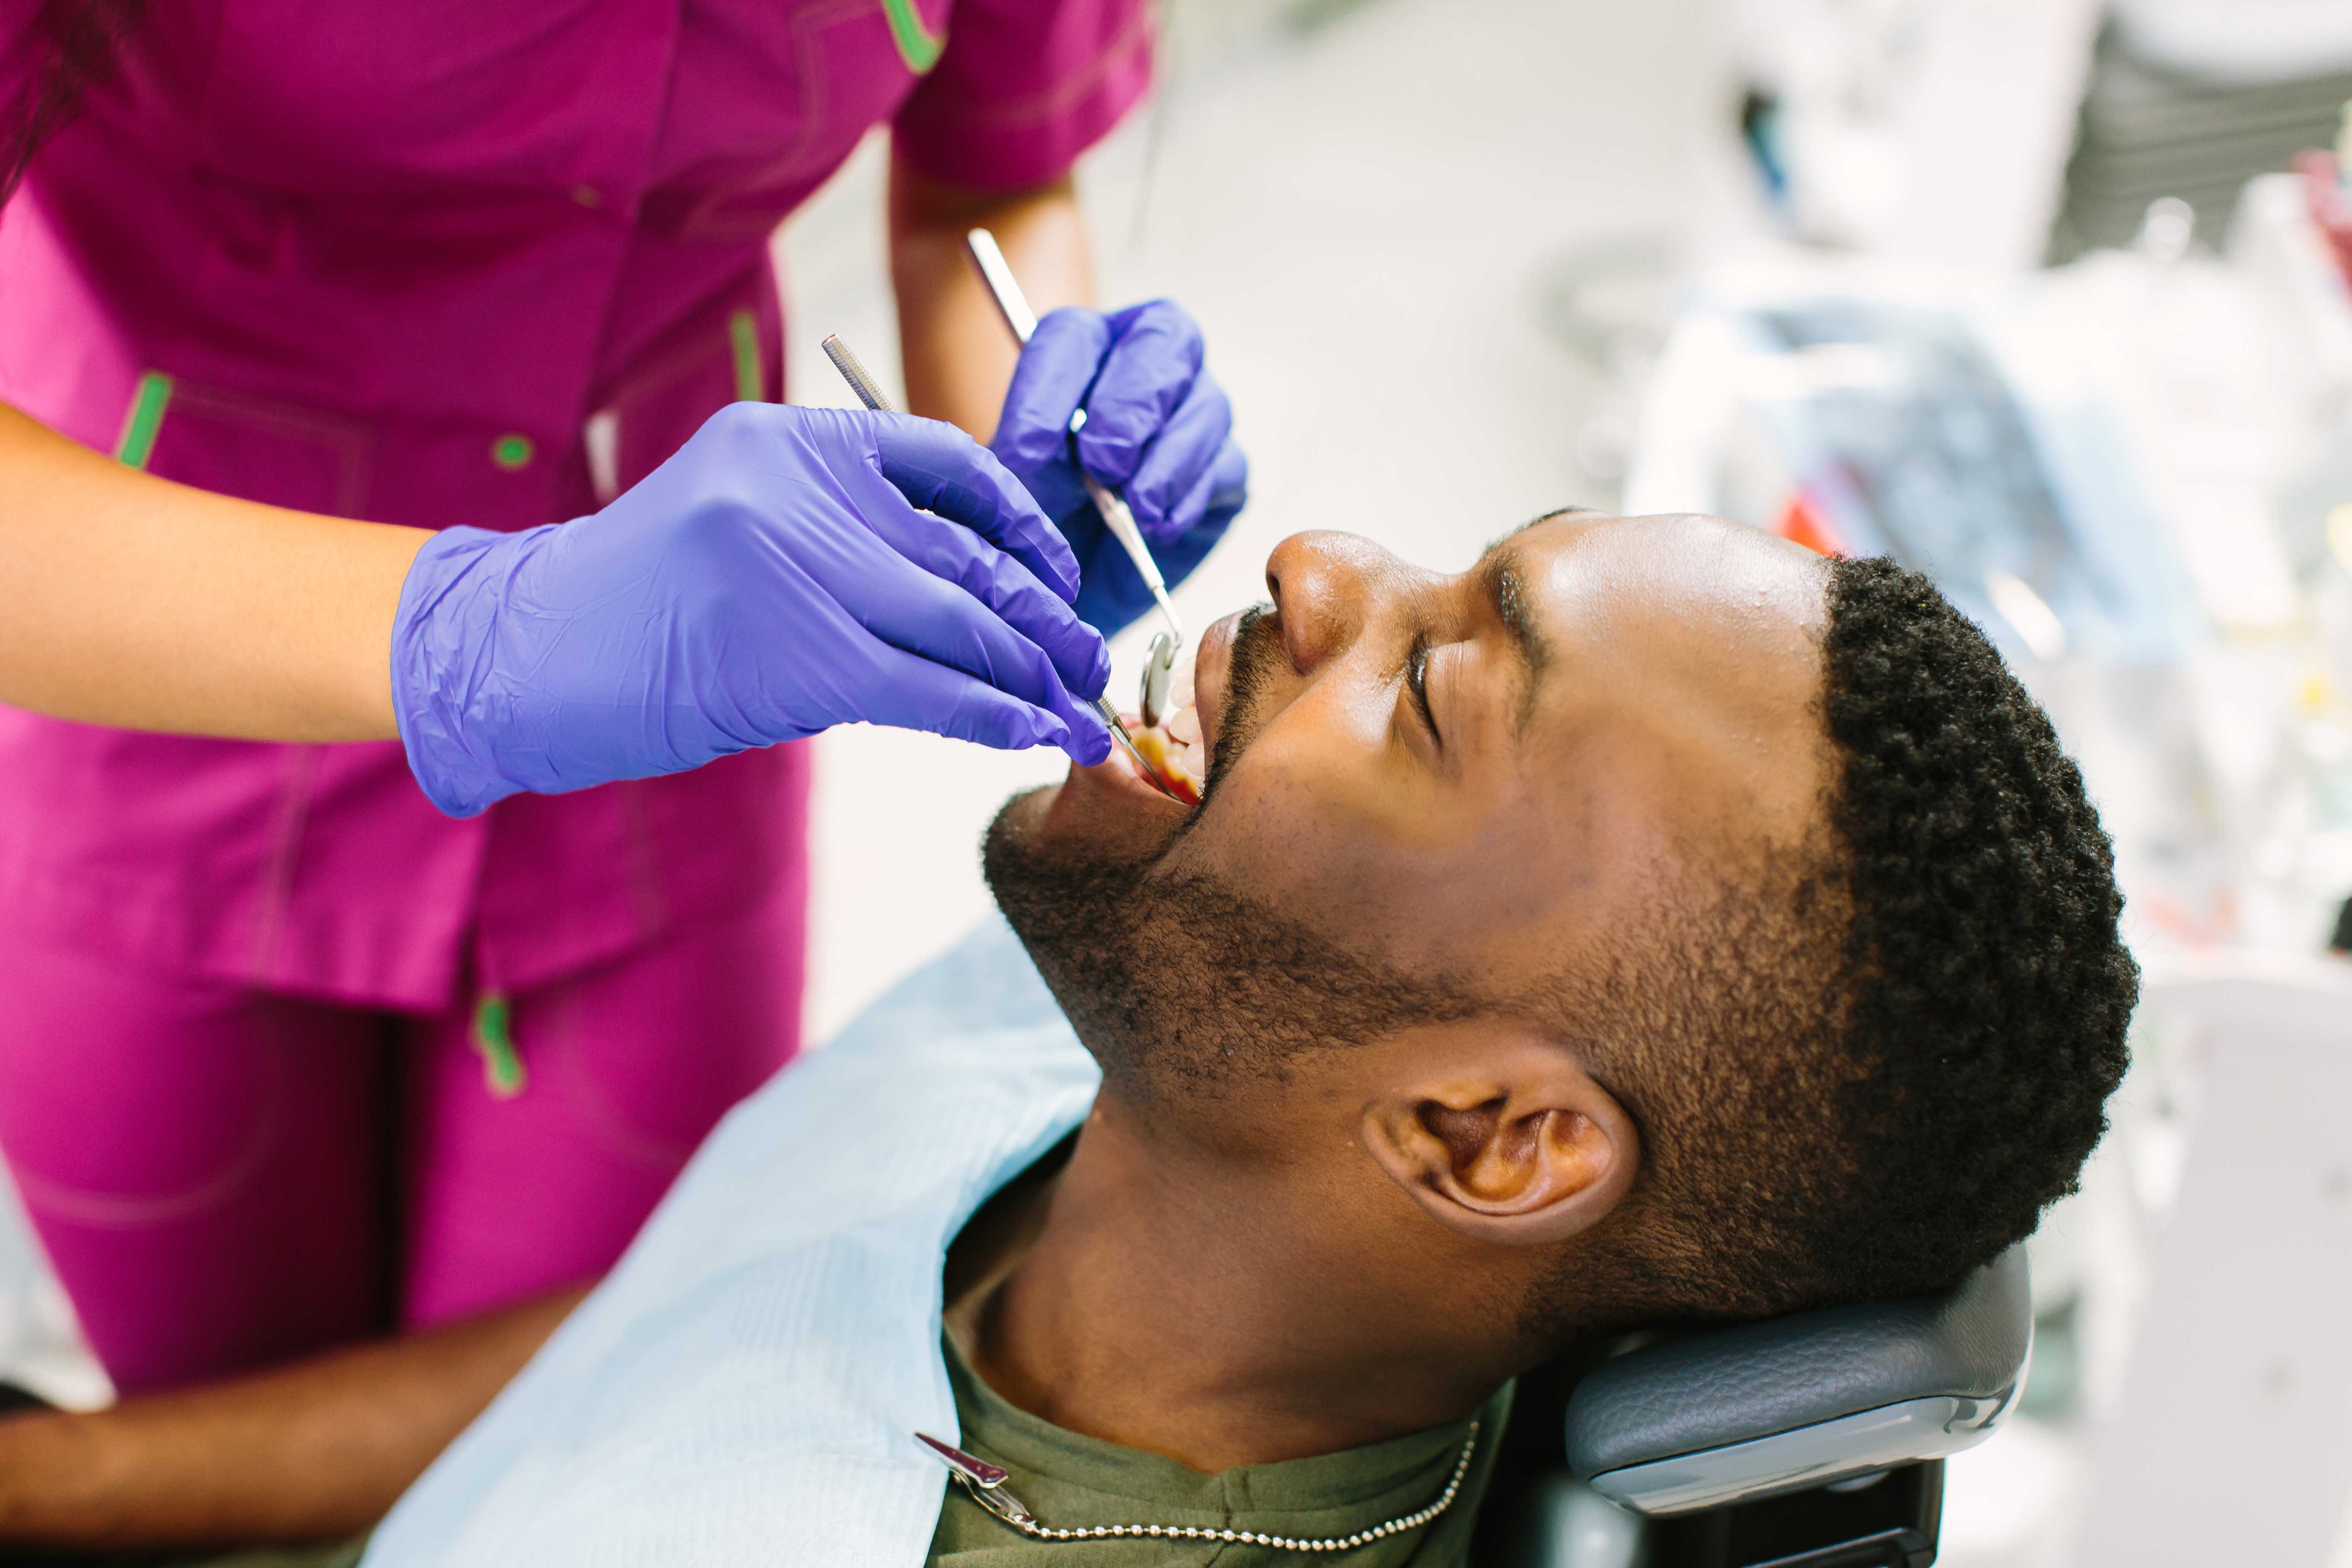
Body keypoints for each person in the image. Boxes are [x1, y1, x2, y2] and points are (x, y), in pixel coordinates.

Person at [0, 511, 2135, 1565]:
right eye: (1446, 572)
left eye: (1424, 690)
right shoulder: (1163, 1061)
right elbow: (714, 1312)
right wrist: (71, 1481)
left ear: (1487, 1140)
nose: (1311, 567)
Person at [0, 0, 1246, 1407]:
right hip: (151, 672)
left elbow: (986, 170)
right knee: (224, 1450)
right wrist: (471, 636)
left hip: (689, 700)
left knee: (599, 1406)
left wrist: (1029, 431)